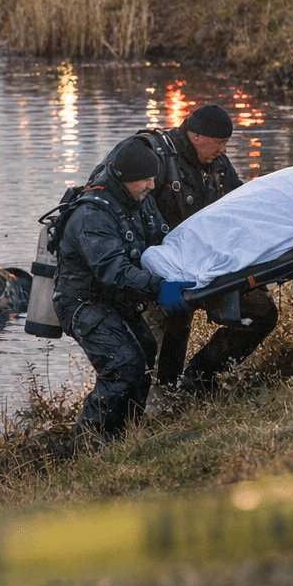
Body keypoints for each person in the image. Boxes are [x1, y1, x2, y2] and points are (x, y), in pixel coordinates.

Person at [131, 106, 278, 400]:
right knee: (172, 329)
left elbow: (240, 204)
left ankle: (199, 377)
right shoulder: (156, 159)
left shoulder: (218, 164)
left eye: (226, 144)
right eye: (219, 143)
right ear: (195, 135)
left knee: (262, 311)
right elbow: (128, 221)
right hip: (160, 274)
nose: (223, 150)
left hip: (209, 267)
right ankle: (158, 408)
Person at [53, 138, 191, 440]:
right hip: (83, 303)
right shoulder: (92, 215)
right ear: (121, 177)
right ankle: (86, 447)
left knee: (144, 353)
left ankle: (123, 436)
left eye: (154, 177)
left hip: (116, 299)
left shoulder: (140, 200)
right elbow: (114, 272)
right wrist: (160, 287)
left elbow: (159, 241)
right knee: (123, 364)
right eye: (145, 179)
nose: (152, 185)